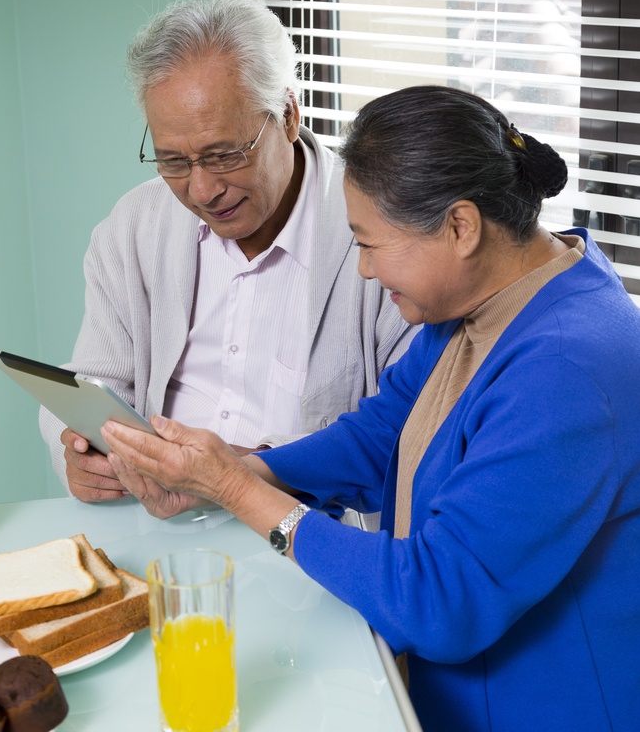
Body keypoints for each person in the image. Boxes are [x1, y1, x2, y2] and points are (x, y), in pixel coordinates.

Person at [101, 85, 640, 732]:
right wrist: (249, 471)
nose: (361, 270)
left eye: (368, 243)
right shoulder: (495, 295)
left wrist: (238, 494)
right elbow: (384, 431)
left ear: (460, 227)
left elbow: (438, 599)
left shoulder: (564, 370)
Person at [39, 0, 416, 506]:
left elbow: (405, 434)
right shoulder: (133, 227)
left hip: (307, 530)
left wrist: (240, 475)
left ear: (287, 115)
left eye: (223, 155)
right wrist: (80, 458)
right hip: (157, 521)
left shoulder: (382, 232)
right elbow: (93, 383)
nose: (201, 191)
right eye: (173, 161)